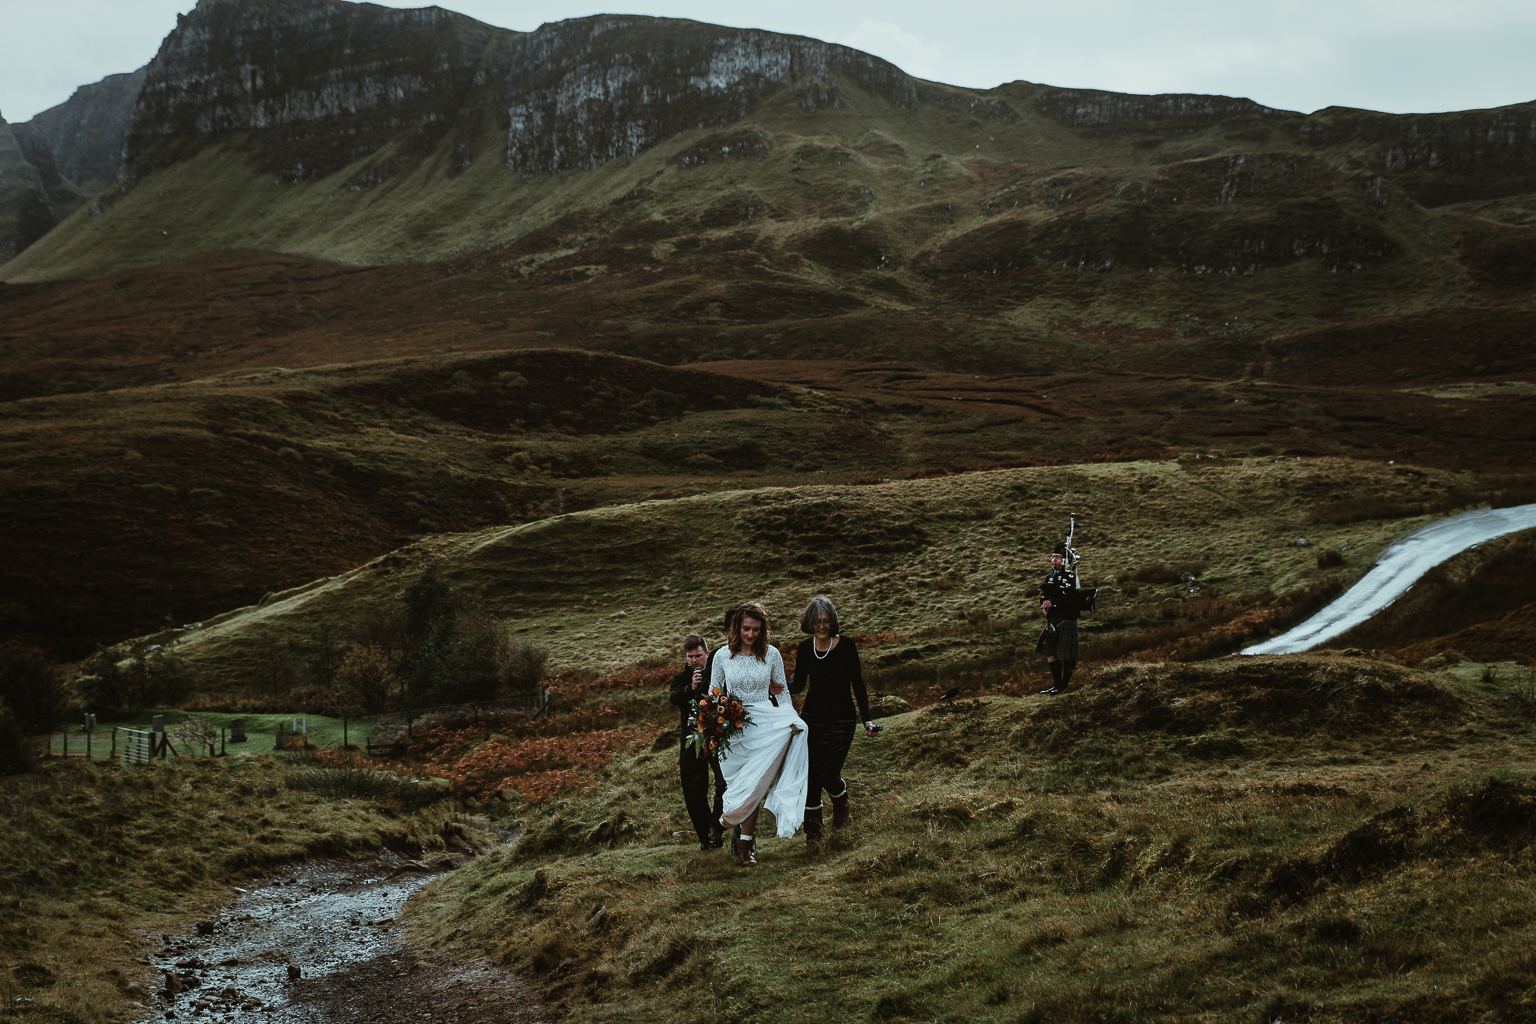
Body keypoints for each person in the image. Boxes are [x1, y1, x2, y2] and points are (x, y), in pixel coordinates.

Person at [710, 602, 809, 866]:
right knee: (739, 786)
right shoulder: (721, 656)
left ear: (762, 629)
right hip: (733, 728)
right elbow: (713, 693)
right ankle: (741, 835)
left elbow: (784, 692)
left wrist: (790, 718)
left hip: (764, 724)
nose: (750, 634)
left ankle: (745, 844)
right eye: (746, 629)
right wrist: (714, 720)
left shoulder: (771, 654)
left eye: (755, 629)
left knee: (756, 784)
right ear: (737, 628)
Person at [789, 596, 877, 848]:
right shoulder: (805, 648)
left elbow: (858, 684)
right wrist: (778, 686)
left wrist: (867, 720)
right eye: (817, 621)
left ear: (833, 621)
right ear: (810, 622)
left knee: (828, 774)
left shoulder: (847, 646)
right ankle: (813, 835)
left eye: (826, 621)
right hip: (813, 719)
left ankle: (841, 806)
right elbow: (799, 684)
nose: (822, 626)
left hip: (842, 719)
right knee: (812, 777)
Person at [669, 633, 727, 851]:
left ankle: (716, 828)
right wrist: (690, 689)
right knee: (693, 792)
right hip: (691, 742)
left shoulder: (717, 673)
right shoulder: (681, 677)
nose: (694, 660)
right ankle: (706, 839)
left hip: (716, 738)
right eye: (690, 656)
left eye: (698, 656)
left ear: (707, 654)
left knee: (724, 783)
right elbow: (674, 697)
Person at [1036, 542, 1081, 694]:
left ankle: (1064, 686)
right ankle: (1056, 686)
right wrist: (1044, 606)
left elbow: (1072, 597)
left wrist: (1052, 604)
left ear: (1065, 560)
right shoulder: (1049, 577)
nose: (1054, 560)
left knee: (1067, 656)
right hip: (1053, 620)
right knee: (1051, 653)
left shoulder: (1071, 577)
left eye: (1058, 557)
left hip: (1067, 618)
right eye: (1053, 557)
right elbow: (1044, 596)